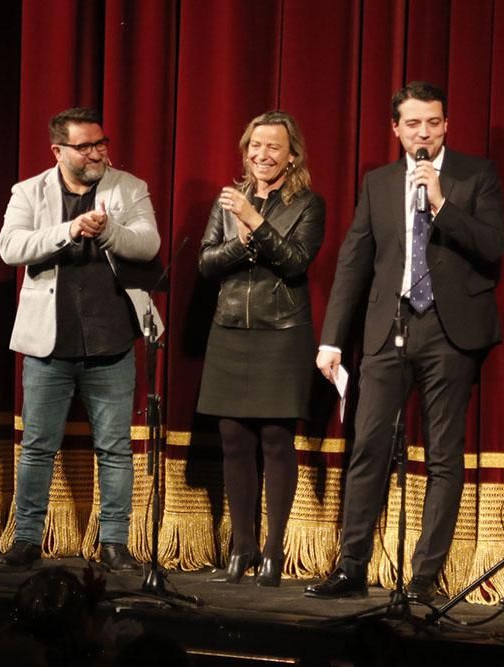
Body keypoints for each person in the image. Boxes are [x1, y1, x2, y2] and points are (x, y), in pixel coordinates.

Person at [305, 81, 504, 603]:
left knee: (443, 455)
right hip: (387, 327)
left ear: (446, 125)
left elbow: (492, 247)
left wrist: (440, 204)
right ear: (395, 129)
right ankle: (351, 567)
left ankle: (422, 578)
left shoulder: (475, 174)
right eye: (413, 123)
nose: (424, 132)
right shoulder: (378, 182)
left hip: (448, 330)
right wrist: (331, 339)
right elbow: (353, 262)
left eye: (433, 122)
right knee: (368, 447)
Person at [0, 107, 160, 573]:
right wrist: (68, 230)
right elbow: (11, 248)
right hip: (49, 344)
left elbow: (148, 244)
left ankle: (114, 543)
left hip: (111, 340)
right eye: (85, 146)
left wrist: (108, 230)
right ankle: (27, 538)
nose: (97, 153)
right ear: (58, 151)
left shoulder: (129, 187)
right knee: (37, 447)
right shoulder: (29, 191)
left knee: (115, 448)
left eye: (101, 143)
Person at [197, 111, 325, 587]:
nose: (261, 155)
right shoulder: (226, 200)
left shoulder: (310, 205)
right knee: (233, 439)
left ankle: (272, 551)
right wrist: (243, 242)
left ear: (292, 156)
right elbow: (207, 262)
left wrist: (254, 223)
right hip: (230, 327)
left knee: (274, 438)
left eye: (273, 147)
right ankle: (242, 546)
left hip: (281, 330)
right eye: (254, 146)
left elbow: (295, 263)